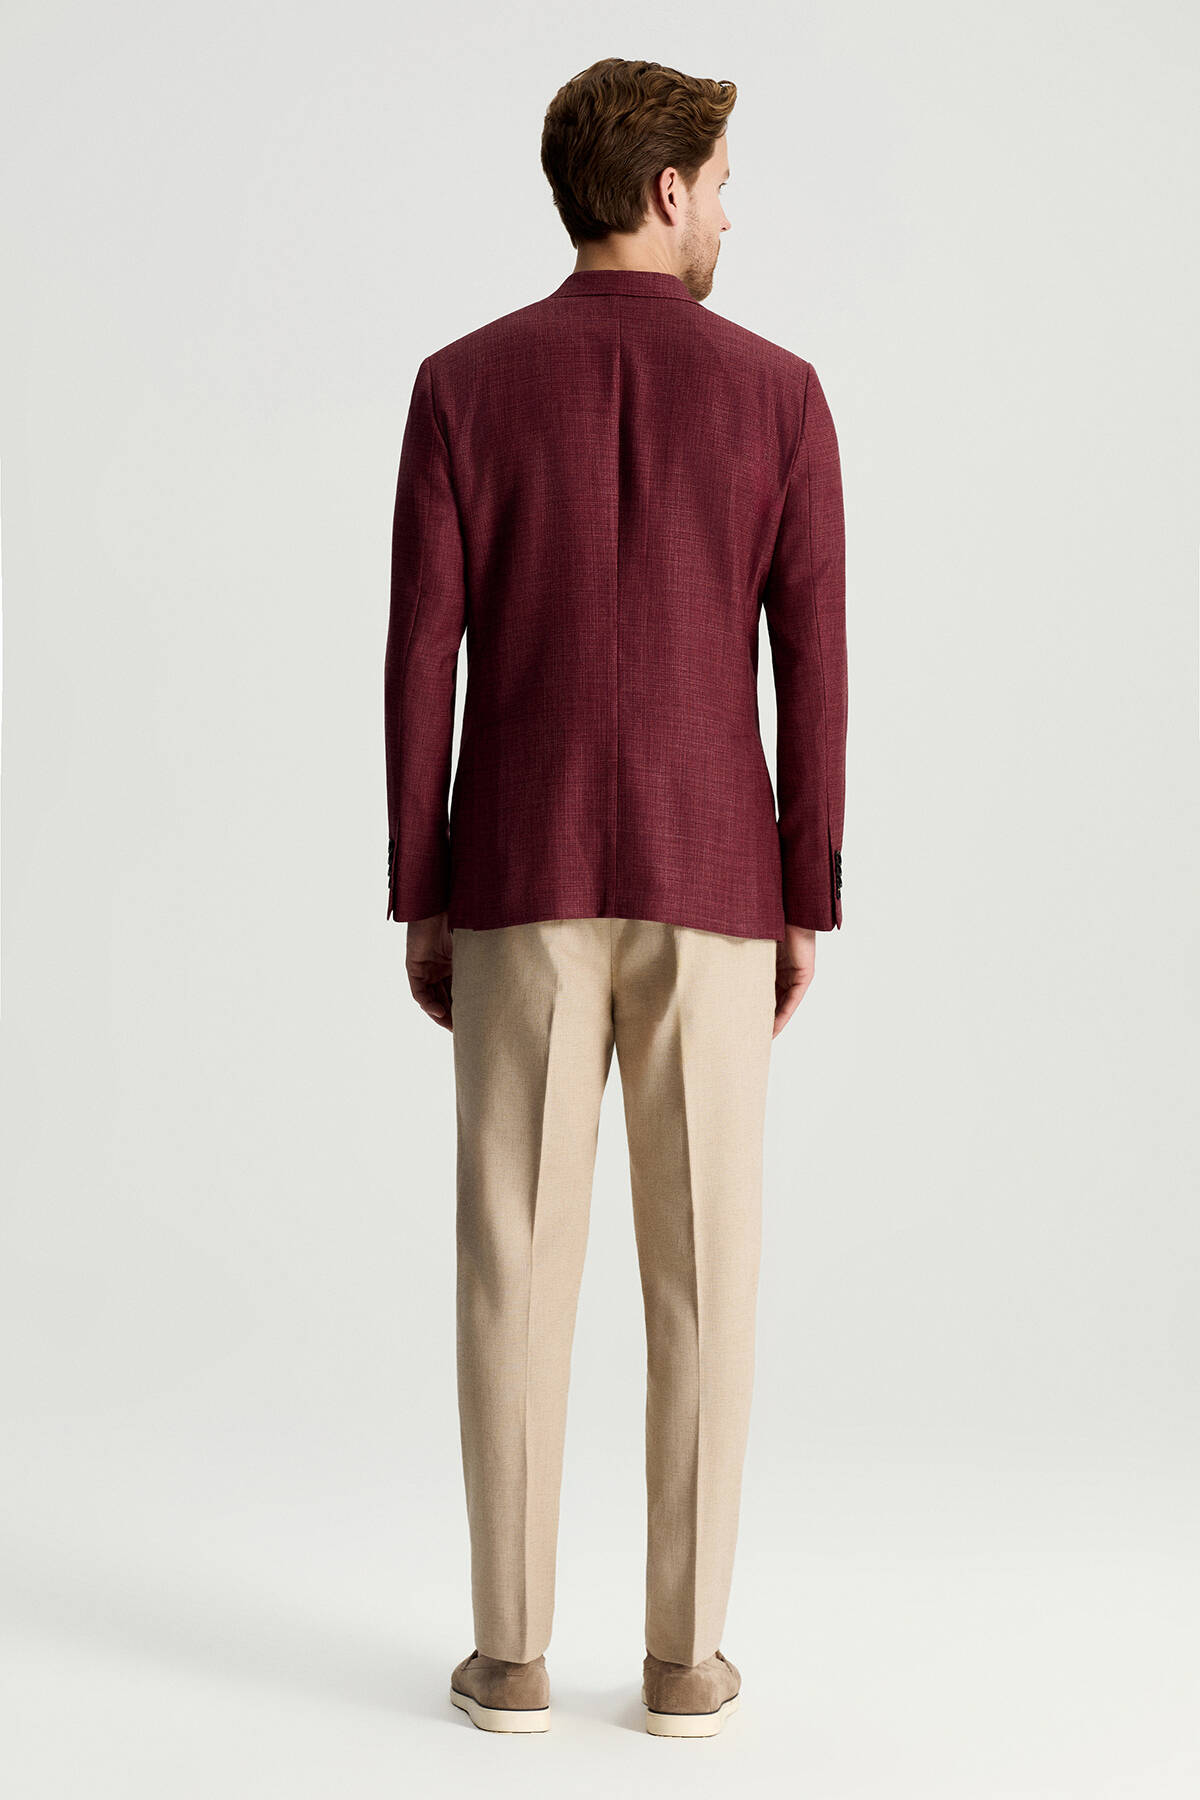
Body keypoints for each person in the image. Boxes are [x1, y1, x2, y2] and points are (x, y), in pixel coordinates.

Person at [383, 55, 847, 1737]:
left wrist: (424, 890)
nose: (728, 212)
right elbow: (816, 666)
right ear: (665, 190)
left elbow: (419, 660)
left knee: (512, 1260)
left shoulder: (462, 385)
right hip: (714, 874)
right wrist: (805, 892)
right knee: (705, 1270)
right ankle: (682, 1662)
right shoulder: (781, 394)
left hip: (518, 874)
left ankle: (509, 1657)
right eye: (720, 183)